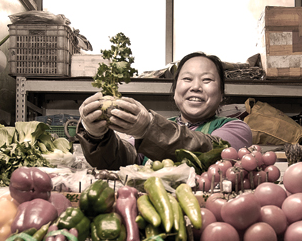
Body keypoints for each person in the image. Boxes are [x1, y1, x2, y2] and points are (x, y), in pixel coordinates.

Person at [76, 52, 253, 169]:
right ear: (175, 91)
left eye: (207, 80)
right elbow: (123, 160)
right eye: (187, 79)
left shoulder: (236, 129)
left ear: (221, 94)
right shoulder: (162, 125)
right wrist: (97, 137)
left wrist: (149, 129)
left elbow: (212, 153)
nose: (196, 87)